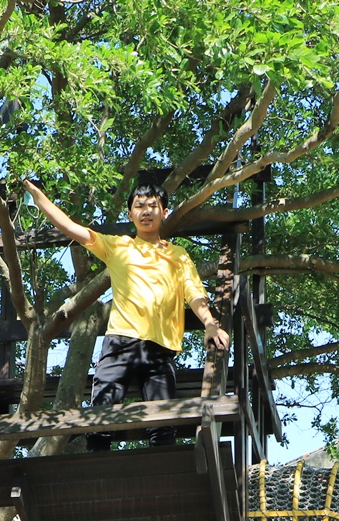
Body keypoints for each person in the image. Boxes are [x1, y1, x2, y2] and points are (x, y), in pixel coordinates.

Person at [23, 178, 230, 449]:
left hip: (160, 347)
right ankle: (98, 482)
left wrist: (211, 324)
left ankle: (163, 481)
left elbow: (194, 294)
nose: (146, 211)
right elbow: (73, 229)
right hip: (119, 343)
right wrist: (39, 198)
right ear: (130, 214)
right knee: (100, 421)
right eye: (139, 206)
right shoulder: (118, 246)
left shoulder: (178, 256)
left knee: (164, 426)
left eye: (153, 206)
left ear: (164, 212)